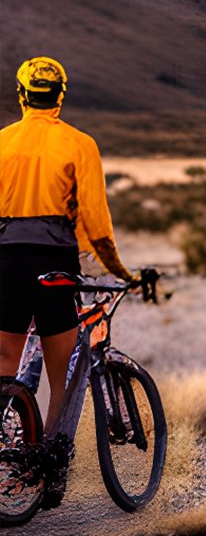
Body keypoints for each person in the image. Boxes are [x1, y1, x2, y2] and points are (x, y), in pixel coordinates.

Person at [0, 57, 135, 441]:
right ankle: (51, 462)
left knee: (4, 362)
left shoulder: (1, 142)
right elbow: (97, 223)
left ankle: (8, 448)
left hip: (7, 262)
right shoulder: (80, 144)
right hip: (54, 267)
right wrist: (119, 271)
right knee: (63, 375)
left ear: (22, 95)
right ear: (60, 96)